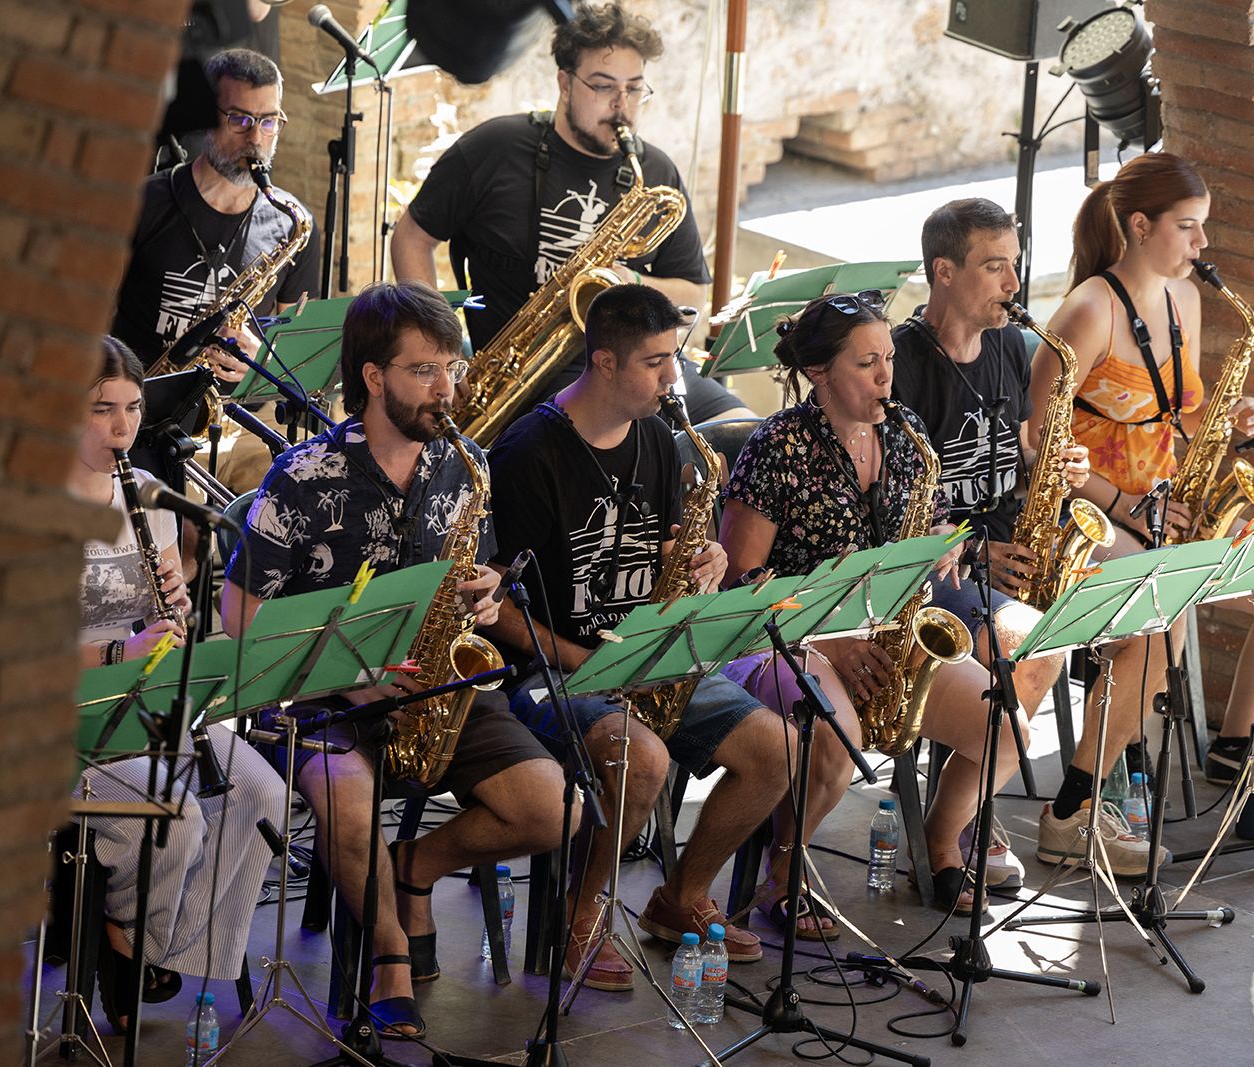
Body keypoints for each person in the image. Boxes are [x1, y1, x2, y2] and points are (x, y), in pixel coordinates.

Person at [221, 283, 564, 1037]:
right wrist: (346, 676)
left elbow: (484, 572)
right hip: (326, 694)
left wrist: (484, 592)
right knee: (346, 797)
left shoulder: (464, 464)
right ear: (374, 378)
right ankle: (388, 954)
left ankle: (413, 866)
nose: (448, 389)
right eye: (424, 371)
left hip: (434, 685)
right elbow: (240, 615)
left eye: (453, 367)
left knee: (551, 805)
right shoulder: (304, 475)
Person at [485, 283, 791, 992]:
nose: (673, 378)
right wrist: (589, 660)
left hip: (645, 654)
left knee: (777, 748)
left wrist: (706, 560)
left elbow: (666, 553)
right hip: (550, 670)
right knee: (642, 758)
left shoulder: (657, 436)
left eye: (672, 359)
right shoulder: (529, 453)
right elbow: (500, 606)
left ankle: (679, 895)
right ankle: (582, 907)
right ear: (604, 362)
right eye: (656, 362)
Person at [1030, 151, 1254, 878]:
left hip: (1164, 509)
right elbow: (1042, 446)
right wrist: (1124, 505)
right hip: (1085, 520)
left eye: (1203, 228)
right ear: (1139, 224)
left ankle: (1243, 750)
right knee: (1163, 616)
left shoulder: (1184, 301)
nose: (1201, 245)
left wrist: (1232, 427)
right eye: (1187, 228)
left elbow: (1179, 418)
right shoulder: (1087, 312)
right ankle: (1075, 809)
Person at [718, 289, 1046, 916]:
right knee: (836, 750)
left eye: (889, 358)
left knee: (1007, 731)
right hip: (787, 638)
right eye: (866, 363)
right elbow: (741, 581)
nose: (887, 376)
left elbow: (930, 520)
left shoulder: (905, 434)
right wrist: (825, 639)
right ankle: (782, 870)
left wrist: (943, 548)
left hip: (887, 631)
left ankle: (943, 843)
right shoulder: (776, 447)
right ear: (818, 373)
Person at [391, 1, 751, 424]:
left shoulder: (653, 170)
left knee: (743, 430)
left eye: (634, 88)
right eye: (603, 87)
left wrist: (630, 282)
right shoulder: (495, 148)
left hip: (646, 371)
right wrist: (443, 349)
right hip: (533, 380)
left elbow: (693, 294)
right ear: (565, 83)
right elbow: (412, 237)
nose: (622, 105)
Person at [72, 337, 285, 1032]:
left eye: (132, 408)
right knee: (180, 811)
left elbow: (162, 627)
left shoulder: (149, 496)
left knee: (264, 793)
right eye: (103, 409)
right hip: (63, 720)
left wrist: (176, 613)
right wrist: (121, 650)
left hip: (146, 703)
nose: (123, 427)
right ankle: (127, 936)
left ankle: (165, 946)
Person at [888, 197, 1090, 893]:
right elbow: (895, 509)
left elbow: (1021, 453)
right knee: (1006, 649)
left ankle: (960, 816)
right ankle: (953, 833)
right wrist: (976, 555)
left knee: (1045, 643)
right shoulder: (903, 364)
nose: (1014, 283)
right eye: (996, 266)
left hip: (1011, 553)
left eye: (1016, 264)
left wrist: (1058, 469)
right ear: (944, 272)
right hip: (937, 569)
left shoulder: (1012, 346)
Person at [114, 47, 322, 495]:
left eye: (269, 121)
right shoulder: (144, 204)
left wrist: (257, 354)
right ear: (208, 118)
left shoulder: (291, 223)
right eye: (240, 120)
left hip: (240, 421)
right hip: (142, 417)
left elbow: (296, 356)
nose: (256, 138)